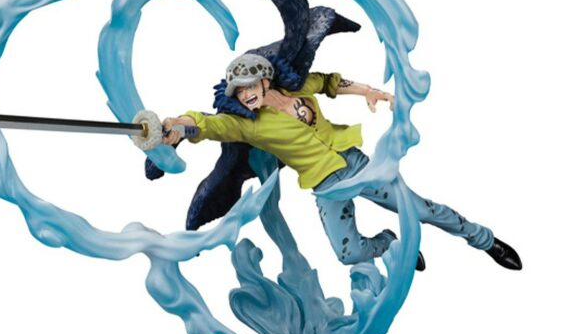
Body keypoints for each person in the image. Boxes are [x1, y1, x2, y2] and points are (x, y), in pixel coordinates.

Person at [163, 53, 522, 271]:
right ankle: (392, 244)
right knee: (348, 254)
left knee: (420, 210)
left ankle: (485, 240)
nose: (245, 94)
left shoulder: (298, 86)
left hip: (357, 166)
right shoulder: (247, 125)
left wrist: (370, 91)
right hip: (327, 186)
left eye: (248, 86)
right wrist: (178, 126)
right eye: (239, 91)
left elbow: (330, 83)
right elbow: (207, 124)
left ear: (265, 80)